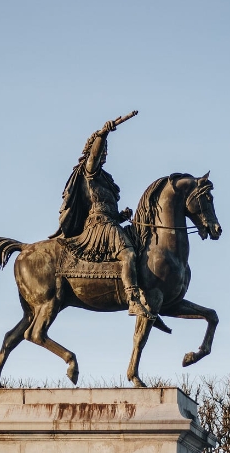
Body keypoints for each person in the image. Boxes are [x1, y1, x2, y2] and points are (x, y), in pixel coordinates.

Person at [50, 119, 154, 319]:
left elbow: (104, 207)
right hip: (99, 227)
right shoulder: (90, 171)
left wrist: (120, 216)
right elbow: (94, 157)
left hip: (111, 223)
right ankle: (133, 300)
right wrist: (103, 134)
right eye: (102, 149)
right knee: (129, 255)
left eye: (106, 149)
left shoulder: (104, 179)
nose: (105, 153)